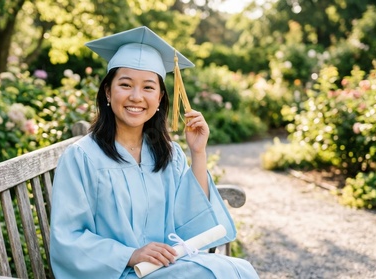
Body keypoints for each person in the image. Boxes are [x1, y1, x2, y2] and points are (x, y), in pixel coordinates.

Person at [49, 26, 259, 279]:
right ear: (108, 91)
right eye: (125, 85)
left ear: (160, 98)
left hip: (168, 268)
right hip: (116, 273)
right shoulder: (82, 158)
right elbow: (68, 238)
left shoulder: (168, 154)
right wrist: (131, 254)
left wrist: (198, 153)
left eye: (148, 88)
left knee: (239, 269)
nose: (136, 97)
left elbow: (192, 222)